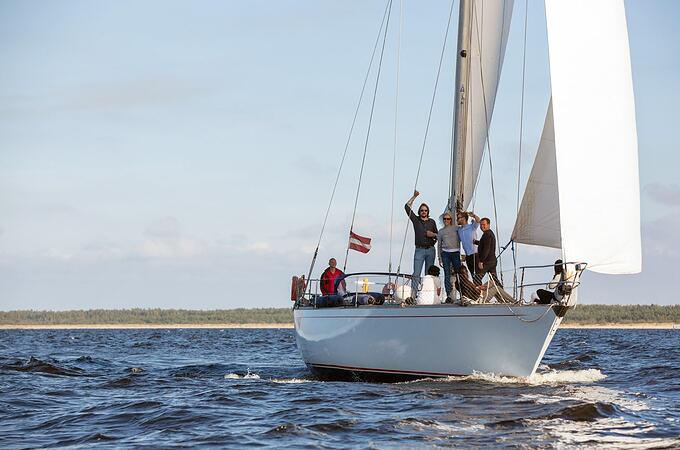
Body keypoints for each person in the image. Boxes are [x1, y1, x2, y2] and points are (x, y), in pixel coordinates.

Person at [405, 191, 438, 292]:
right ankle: (413, 294)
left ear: (428, 211)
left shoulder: (432, 222)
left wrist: (432, 235)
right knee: (416, 273)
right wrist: (414, 196)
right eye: (422, 210)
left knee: (429, 275)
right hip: (419, 250)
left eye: (425, 210)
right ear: (419, 211)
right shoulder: (416, 220)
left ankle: (427, 293)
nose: (424, 212)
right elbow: (406, 207)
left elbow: (438, 235)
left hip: (430, 250)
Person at [438, 210, 461, 301]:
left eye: (448, 219)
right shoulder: (441, 231)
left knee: (459, 274)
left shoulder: (457, 228)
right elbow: (439, 245)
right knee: (447, 274)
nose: (446, 220)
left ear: (451, 219)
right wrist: (439, 258)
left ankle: (462, 293)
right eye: (444, 219)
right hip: (445, 254)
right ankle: (449, 295)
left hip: (455, 252)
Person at [474, 217, 500, 285]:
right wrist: (476, 242)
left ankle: (479, 292)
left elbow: (486, 249)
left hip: (486, 262)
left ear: (488, 225)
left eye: (484, 224)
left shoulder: (486, 234)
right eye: (481, 225)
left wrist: (481, 261)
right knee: (495, 280)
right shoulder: (489, 233)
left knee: (476, 279)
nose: (482, 226)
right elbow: (485, 244)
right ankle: (501, 291)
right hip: (492, 261)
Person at [457, 211, 480, 278]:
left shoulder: (472, 226)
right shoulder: (459, 230)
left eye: (458, 218)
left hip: (475, 254)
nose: (457, 220)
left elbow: (478, 220)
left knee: (477, 276)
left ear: (464, 218)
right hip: (467, 256)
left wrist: (473, 215)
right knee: (472, 275)